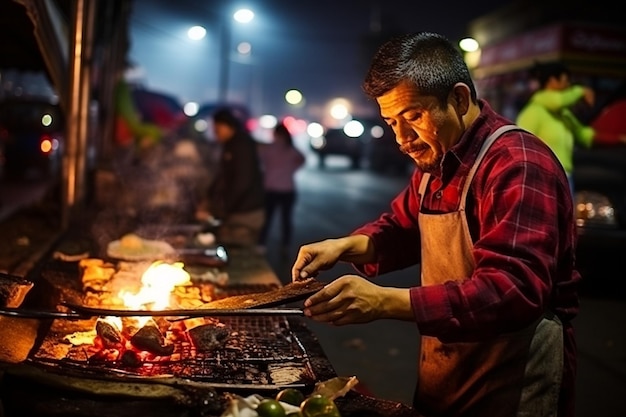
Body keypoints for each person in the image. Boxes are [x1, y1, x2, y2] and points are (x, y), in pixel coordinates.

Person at [292, 32, 579, 417]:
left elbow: (512, 289)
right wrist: (344, 246)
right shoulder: (437, 160)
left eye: (413, 117)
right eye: (391, 122)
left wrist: (384, 300)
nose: (402, 139)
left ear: (459, 99)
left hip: (515, 381)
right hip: (447, 376)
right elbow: (400, 228)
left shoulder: (517, 163)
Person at [516, 61, 595, 194]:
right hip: (541, 180)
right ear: (552, 81)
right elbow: (520, 149)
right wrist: (581, 91)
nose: (568, 86)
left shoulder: (564, 115)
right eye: (565, 81)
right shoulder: (532, 112)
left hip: (566, 177)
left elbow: (585, 135)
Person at [195, 107, 265, 247]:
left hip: (246, 214)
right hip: (238, 212)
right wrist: (209, 197)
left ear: (226, 126)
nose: (216, 134)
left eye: (217, 130)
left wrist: (222, 210)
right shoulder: (231, 144)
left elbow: (243, 181)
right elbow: (222, 175)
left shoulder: (241, 145)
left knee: (241, 255)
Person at [257, 122, 306, 255]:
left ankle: (261, 244)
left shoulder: (268, 149)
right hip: (287, 189)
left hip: (271, 188)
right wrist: (292, 169)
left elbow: (259, 161)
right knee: (286, 219)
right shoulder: (290, 149)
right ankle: (285, 245)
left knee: (267, 219)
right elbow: (302, 159)